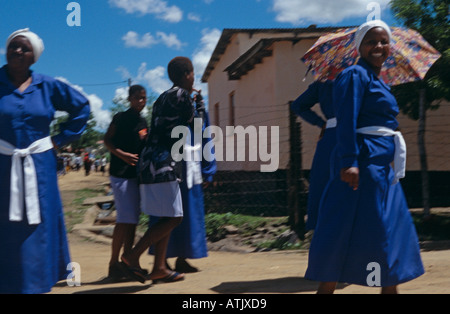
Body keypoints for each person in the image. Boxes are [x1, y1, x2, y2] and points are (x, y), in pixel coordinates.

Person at [304, 20, 424, 294]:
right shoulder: (354, 75)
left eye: (383, 41)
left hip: (384, 165)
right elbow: (346, 119)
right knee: (347, 224)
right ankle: (326, 288)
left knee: (389, 226)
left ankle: (389, 288)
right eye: (371, 41)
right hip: (364, 161)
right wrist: (349, 161)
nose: (378, 46)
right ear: (360, 46)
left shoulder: (378, 80)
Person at [0, 28, 90, 294]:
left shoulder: (47, 85)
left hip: (40, 168)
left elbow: (81, 107)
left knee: (38, 227)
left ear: (34, 57)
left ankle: (36, 285)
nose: (17, 51)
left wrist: (59, 139)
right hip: (3, 168)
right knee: (6, 227)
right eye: (13, 46)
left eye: (24, 48)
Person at [120, 57, 200, 284]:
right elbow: (194, 127)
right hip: (165, 163)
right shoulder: (183, 96)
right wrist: (199, 104)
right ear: (187, 75)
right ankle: (133, 254)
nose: (194, 77)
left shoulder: (162, 98)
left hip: (150, 162)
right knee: (174, 217)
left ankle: (159, 268)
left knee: (165, 216)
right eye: (193, 73)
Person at [149, 93, 216, 273]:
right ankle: (162, 260)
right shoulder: (164, 105)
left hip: (190, 165)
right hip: (169, 165)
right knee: (167, 214)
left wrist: (208, 169)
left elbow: (205, 136)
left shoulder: (198, 109)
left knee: (188, 214)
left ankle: (182, 257)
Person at [104, 85, 149, 281]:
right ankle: (113, 264)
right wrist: (121, 155)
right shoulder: (120, 118)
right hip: (119, 173)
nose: (141, 101)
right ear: (130, 99)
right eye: (138, 97)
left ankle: (128, 262)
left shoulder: (142, 122)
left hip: (135, 175)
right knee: (124, 219)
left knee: (132, 220)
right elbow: (107, 140)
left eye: (144, 98)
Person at [291, 80, 335, 231]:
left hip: (331, 138)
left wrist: (321, 123)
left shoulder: (323, 83)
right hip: (358, 135)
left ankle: (322, 232)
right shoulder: (363, 79)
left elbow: (298, 105)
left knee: (323, 184)